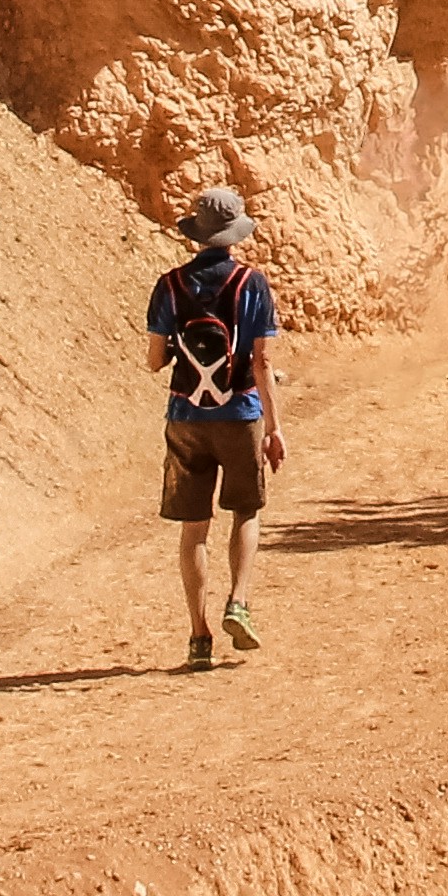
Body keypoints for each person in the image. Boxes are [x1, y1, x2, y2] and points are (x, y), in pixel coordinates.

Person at [149, 187, 286, 671]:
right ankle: (239, 602)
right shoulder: (253, 284)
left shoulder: (170, 286)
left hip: (185, 418)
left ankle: (197, 636)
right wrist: (274, 427)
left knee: (194, 530)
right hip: (240, 413)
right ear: (234, 235)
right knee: (246, 510)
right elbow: (263, 360)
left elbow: (152, 360)